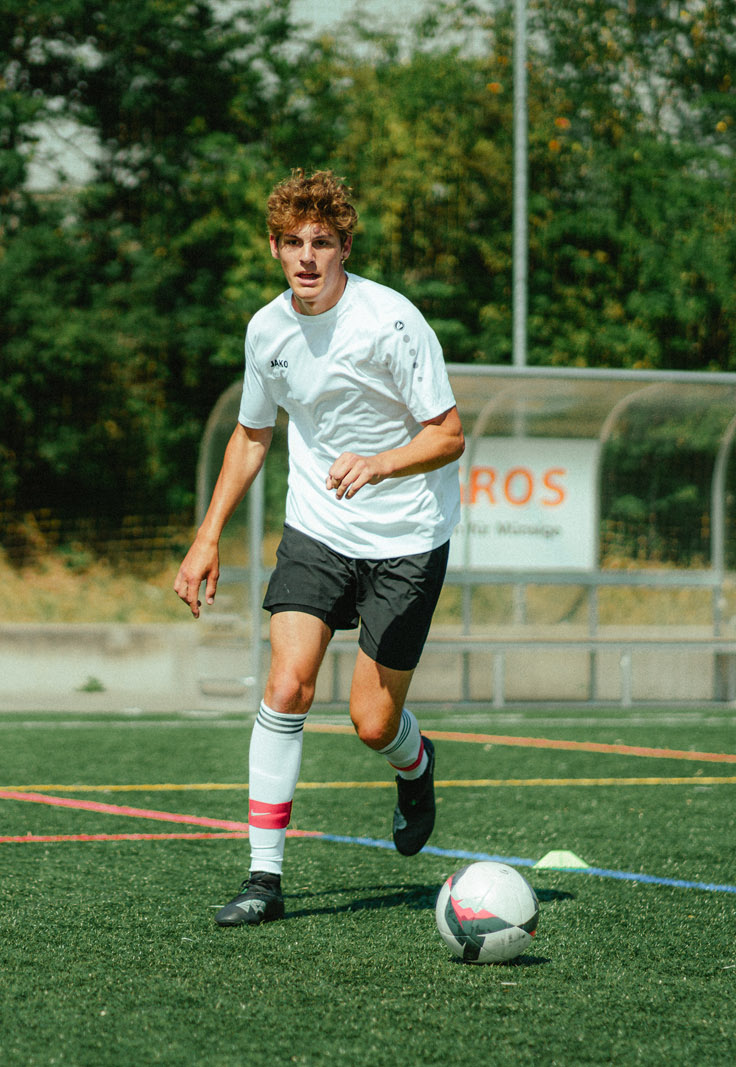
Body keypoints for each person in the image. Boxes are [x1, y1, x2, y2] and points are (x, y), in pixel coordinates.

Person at [174, 169, 465, 927]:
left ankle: (416, 761)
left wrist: (381, 461)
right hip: (317, 529)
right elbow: (252, 433)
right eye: (294, 243)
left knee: (371, 721)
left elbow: (449, 433)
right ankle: (263, 878)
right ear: (275, 247)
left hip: (406, 536)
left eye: (323, 243)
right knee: (288, 684)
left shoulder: (392, 321)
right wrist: (207, 538)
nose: (308, 257)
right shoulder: (266, 330)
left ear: (344, 247)